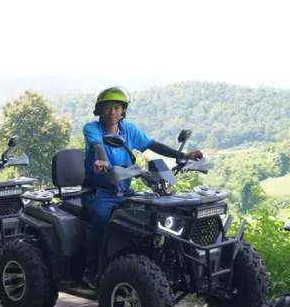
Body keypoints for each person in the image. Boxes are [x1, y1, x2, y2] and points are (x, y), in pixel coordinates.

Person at [81, 86, 202, 288]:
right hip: (98, 193)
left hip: (124, 192)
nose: (112, 112)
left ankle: (144, 266)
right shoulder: (92, 128)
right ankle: (92, 270)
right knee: (102, 219)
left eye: (117, 108)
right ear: (99, 110)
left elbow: (153, 145)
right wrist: (101, 160)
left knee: (148, 216)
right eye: (108, 108)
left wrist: (183, 156)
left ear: (123, 111)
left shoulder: (129, 129)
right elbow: (97, 146)